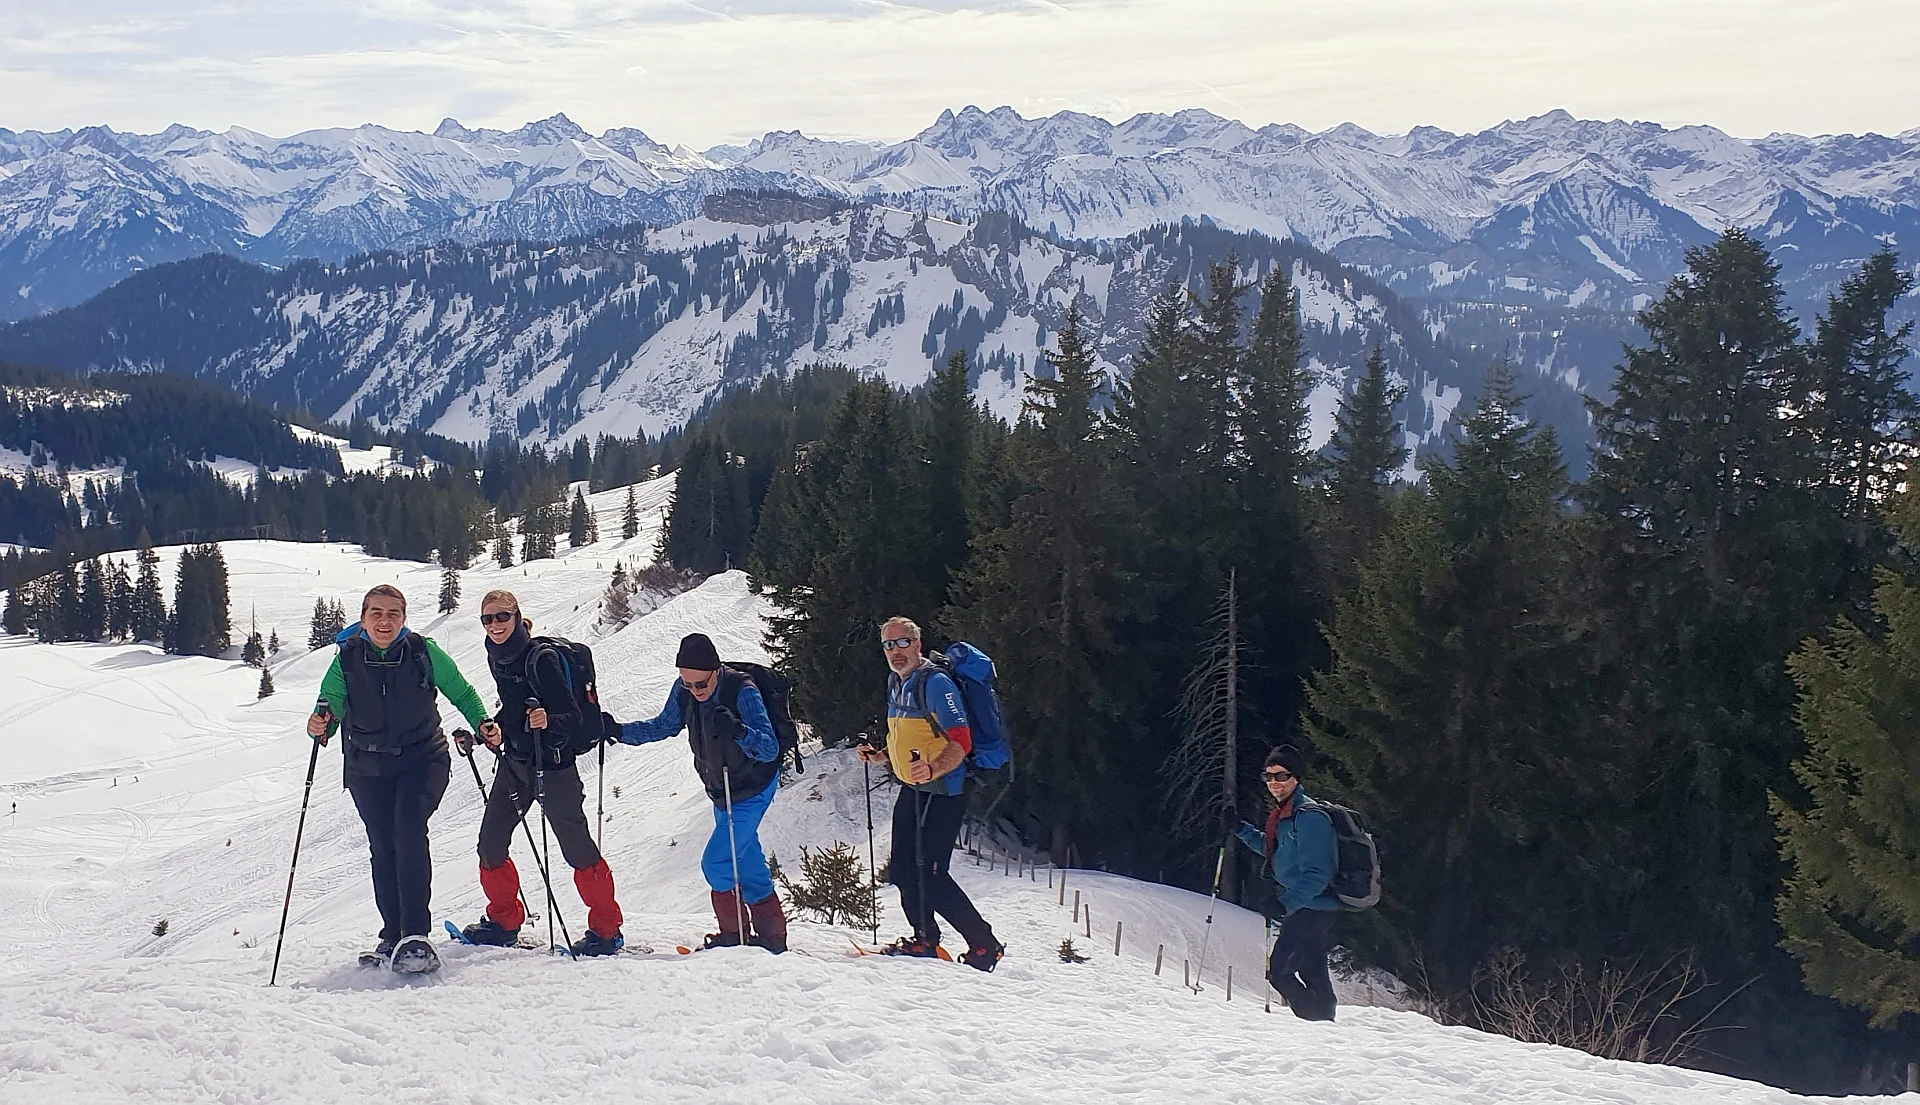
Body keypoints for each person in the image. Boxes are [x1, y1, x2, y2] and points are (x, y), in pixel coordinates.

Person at [306, 584, 490, 973]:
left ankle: (416, 936)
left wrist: (483, 723)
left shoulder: (424, 652)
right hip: (366, 768)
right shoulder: (347, 658)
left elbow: (461, 691)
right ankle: (393, 935)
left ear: (404, 618)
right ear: (363, 617)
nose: (384, 621)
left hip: (423, 760)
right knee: (382, 843)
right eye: (376, 613)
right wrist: (319, 724)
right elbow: (329, 705)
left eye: (393, 614)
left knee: (407, 829)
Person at [457, 590, 626, 956]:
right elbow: (514, 708)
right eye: (487, 619)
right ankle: (504, 921)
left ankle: (607, 931)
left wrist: (548, 720)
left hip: (554, 767)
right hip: (516, 763)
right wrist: (495, 728)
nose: (495, 625)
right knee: (490, 844)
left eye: (502, 617)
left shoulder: (542, 659)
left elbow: (574, 718)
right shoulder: (497, 656)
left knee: (578, 851)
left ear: (517, 616)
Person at [615, 632, 789, 953]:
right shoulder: (684, 691)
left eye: (701, 685)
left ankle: (733, 939)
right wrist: (616, 731)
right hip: (721, 790)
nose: (694, 691)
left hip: (753, 786)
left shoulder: (742, 691)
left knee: (717, 863)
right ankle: (772, 939)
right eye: (687, 684)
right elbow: (662, 726)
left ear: (716, 671)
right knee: (747, 863)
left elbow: (768, 747)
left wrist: (738, 730)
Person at [856, 616, 1002, 971]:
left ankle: (984, 944)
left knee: (932, 875)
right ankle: (924, 939)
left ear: (917, 643)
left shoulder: (936, 684)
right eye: (888, 645)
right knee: (904, 871)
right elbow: (908, 738)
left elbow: (961, 740)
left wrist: (934, 768)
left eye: (902, 642)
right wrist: (881, 755)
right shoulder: (896, 683)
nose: (895, 651)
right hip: (914, 788)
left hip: (944, 792)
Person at [1234, 745, 1340, 1021]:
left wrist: (1284, 904)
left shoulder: (1309, 818)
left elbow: (1318, 874)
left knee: (1280, 971)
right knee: (1311, 968)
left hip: (1313, 907)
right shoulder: (1286, 815)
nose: (1273, 783)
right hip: (1308, 905)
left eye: (1280, 776)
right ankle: (1325, 1026)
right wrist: (1240, 829)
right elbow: (1274, 851)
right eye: (1268, 777)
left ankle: (1316, 1023)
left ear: (1296, 778)